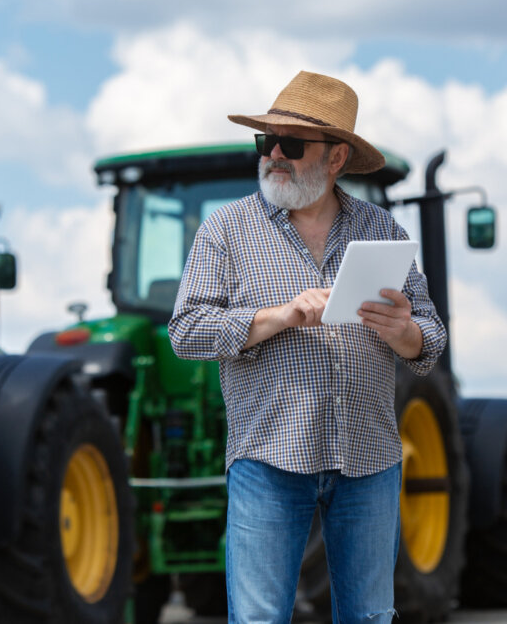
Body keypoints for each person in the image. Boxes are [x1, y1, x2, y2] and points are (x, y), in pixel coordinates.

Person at [168, 70, 447, 623]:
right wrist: (284, 315)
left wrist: (404, 332)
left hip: (369, 459)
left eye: (290, 144)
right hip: (268, 458)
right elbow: (186, 332)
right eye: (265, 141)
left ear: (337, 157)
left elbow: (431, 340)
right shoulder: (225, 230)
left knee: (369, 618)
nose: (273, 154)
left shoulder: (382, 231)